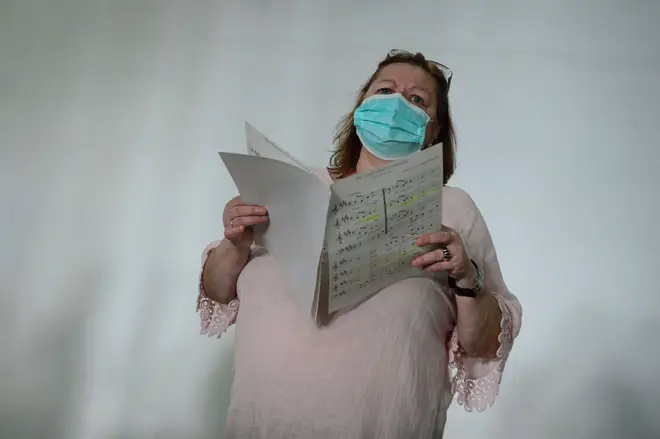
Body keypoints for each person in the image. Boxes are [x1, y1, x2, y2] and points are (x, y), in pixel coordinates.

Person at [197, 49, 523, 439]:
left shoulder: (452, 207)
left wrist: (467, 278)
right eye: (384, 91)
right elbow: (218, 291)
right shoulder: (289, 186)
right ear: (359, 109)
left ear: (434, 130)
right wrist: (235, 243)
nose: (396, 104)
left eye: (416, 99)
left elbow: (485, 344)